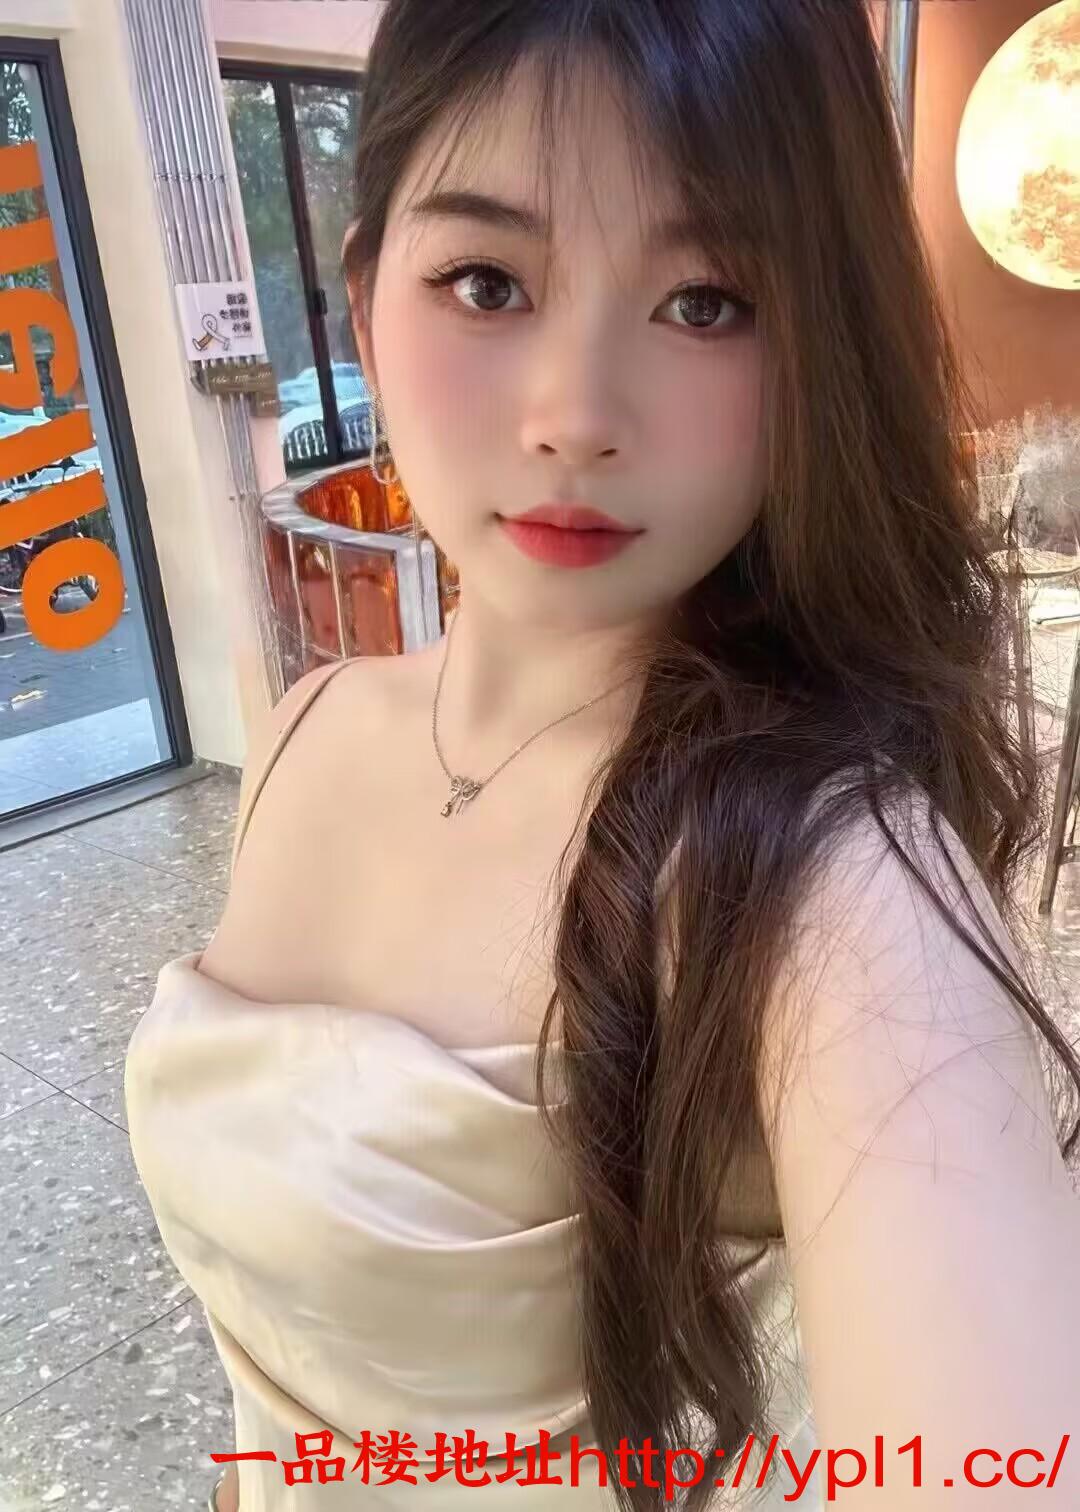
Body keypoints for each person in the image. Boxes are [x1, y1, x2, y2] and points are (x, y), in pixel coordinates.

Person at [124, 1, 1080, 1508]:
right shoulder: (311, 726)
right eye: (487, 282)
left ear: (819, 346)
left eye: (707, 302)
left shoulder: (832, 883)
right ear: (367, 301)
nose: (575, 415)